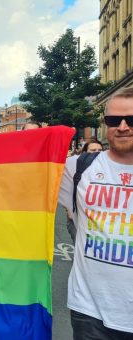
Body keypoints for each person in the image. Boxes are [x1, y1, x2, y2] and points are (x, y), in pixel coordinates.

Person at [58, 87, 133, 339]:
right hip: (90, 312)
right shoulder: (78, 168)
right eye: (114, 120)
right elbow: (17, 171)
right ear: (105, 123)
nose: (122, 126)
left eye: (131, 120)